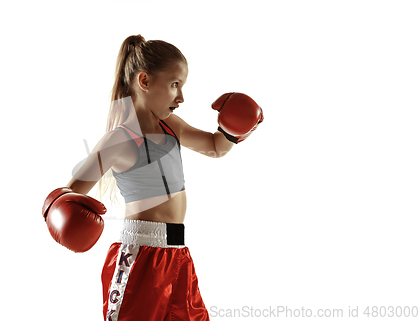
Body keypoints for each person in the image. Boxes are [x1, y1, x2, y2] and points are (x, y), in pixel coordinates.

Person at [42, 34, 263, 321]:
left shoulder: (170, 126)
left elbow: (214, 147)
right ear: (144, 81)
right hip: (140, 257)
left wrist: (233, 130)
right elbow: (67, 196)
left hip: (178, 254)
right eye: (174, 85)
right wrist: (65, 217)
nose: (181, 97)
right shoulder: (118, 140)